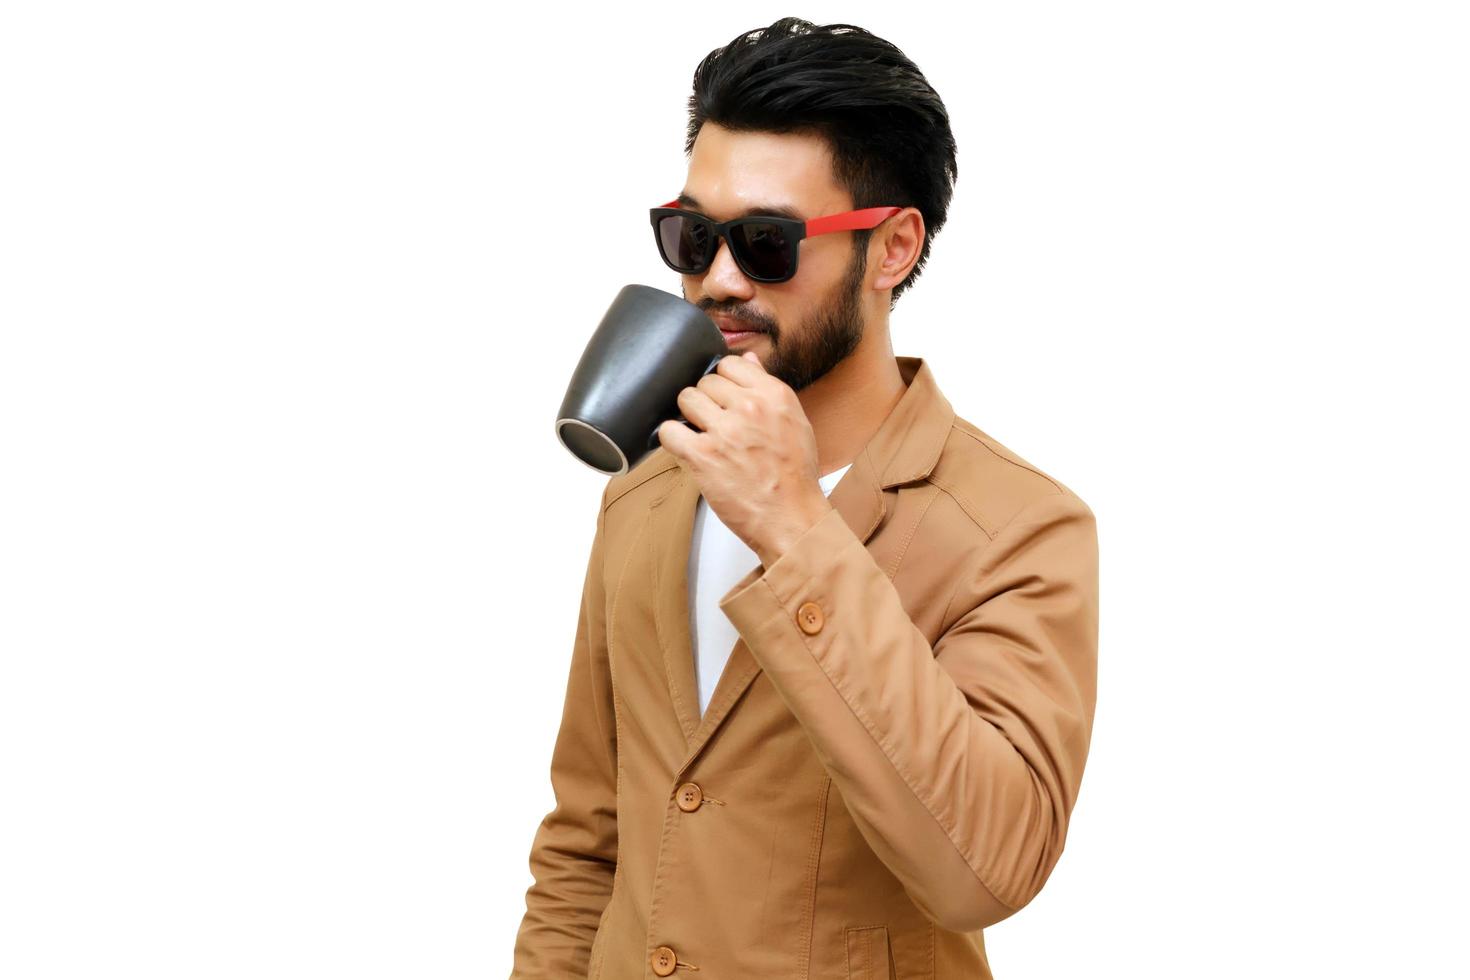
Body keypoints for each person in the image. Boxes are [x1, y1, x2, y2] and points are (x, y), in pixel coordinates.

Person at [510, 18, 1099, 980]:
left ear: (892, 248)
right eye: (693, 236)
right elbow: (587, 843)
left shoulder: (1020, 528)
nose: (719, 280)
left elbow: (990, 868)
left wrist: (794, 525)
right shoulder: (645, 493)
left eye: (768, 243)